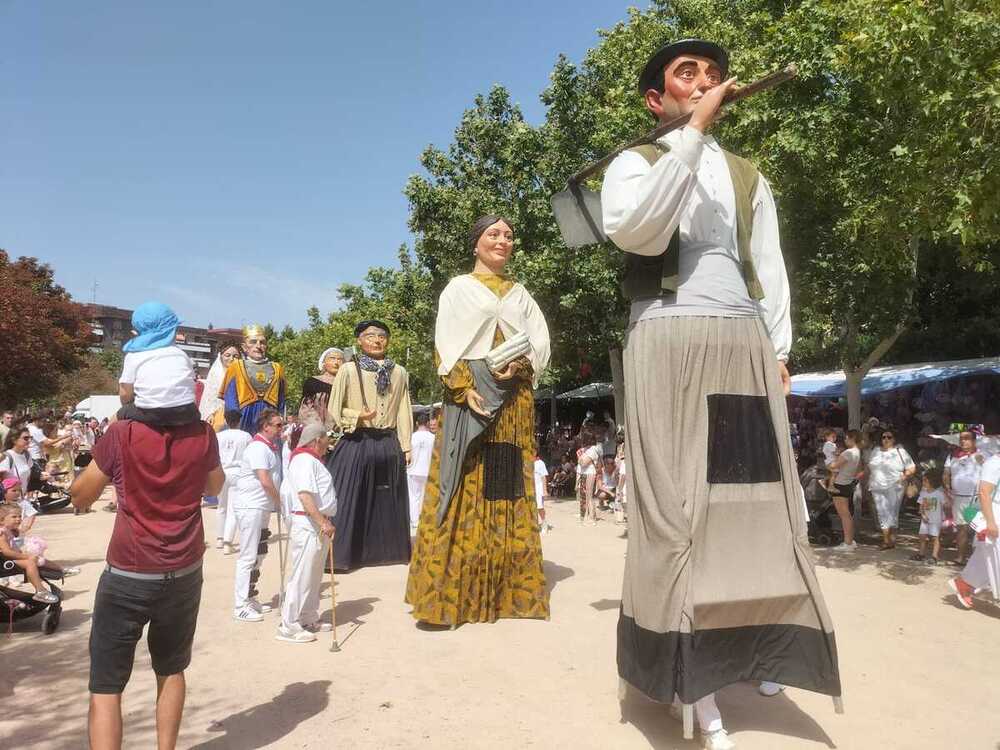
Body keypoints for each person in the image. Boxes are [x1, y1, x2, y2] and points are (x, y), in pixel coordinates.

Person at [601, 39, 841, 747]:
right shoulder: (633, 163)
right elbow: (637, 234)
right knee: (677, 510)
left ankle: (758, 643)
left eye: (711, 72)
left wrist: (780, 350)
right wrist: (693, 132)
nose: (706, 81)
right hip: (669, 337)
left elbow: (768, 266)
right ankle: (691, 677)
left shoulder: (747, 175)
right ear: (658, 99)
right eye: (687, 75)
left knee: (756, 498)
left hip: (741, 339)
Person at [406, 214, 551, 626]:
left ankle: (508, 593)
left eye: (508, 235)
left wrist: (521, 364)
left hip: (515, 396)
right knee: (464, 480)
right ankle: (447, 600)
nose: (503, 240)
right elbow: (446, 342)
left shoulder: (521, 294)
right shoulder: (459, 289)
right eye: (494, 234)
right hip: (471, 391)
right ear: (476, 243)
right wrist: (460, 385)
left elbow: (539, 343)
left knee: (504, 485)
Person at [70, 404, 223, 750]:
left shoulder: (121, 433)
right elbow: (215, 484)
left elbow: (81, 496)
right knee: (171, 668)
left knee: (107, 684)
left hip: (129, 570)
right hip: (183, 569)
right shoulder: (203, 433)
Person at [326, 320, 413, 570]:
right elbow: (334, 409)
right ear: (359, 340)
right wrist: (356, 416)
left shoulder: (400, 372)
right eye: (370, 335)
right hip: (357, 439)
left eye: (382, 336)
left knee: (388, 497)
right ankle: (345, 556)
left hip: (387, 440)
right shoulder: (348, 370)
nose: (376, 340)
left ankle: (387, 552)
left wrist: (406, 445)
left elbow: (405, 410)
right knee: (349, 496)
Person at [277, 421, 337, 643]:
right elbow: (305, 496)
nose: (328, 443)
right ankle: (289, 624)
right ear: (317, 440)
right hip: (309, 523)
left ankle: (307, 616)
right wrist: (322, 522)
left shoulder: (311, 460)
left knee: (313, 573)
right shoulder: (303, 460)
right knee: (302, 573)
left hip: (316, 523)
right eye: (326, 439)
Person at [231, 408, 283, 622]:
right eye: (278, 425)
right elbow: (264, 480)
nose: (281, 429)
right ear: (266, 426)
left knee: (259, 552)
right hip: (251, 506)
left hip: (261, 507)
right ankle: (240, 604)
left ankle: (251, 596)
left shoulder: (270, 448)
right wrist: (280, 501)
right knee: (248, 555)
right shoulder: (258, 448)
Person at [117, 302, 202, 427]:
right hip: (187, 413)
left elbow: (125, 393)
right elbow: (190, 386)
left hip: (150, 413)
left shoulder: (134, 355)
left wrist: (128, 405)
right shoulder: (182, 355)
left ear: (136, 332)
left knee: (118, 417)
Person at [949, 453, 1000, 609]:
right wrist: (991, 522)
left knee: (987, 555)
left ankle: (964, 583)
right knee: (995, 556)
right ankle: (964, 583)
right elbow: (984, 492)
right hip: (995, 513)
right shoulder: (994, 463)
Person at [221, 325, 287, 434]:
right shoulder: (236, 366)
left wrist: (280, 418)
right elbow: (231, 395)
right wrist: (233, 421)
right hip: (244, 417)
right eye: (253, 342)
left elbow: (281, 398)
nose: (258, 346)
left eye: (262, 342)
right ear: (244, 346)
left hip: (269, 418)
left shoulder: (277, 368)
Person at [867, 428, 916, 550]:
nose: (886, 439)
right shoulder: (876, 451)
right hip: (876, 485)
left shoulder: (900, 451)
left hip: (895, 486)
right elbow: (869, 466)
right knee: (881, 512)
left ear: (894, 439)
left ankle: (892, 538)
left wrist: (904, 476)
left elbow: (912, 467)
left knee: (893, 512)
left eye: (889, 437)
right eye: (884, 437)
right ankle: (886, 540)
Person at [0, 504, 60, 603]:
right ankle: (40, 591)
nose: (18, 519)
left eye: (20, 516)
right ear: (2, 520)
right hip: (3, 561)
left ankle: (60, 569)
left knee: (36, 557)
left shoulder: (9, 530)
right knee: (30, 563)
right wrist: (27, 556)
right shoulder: (2, 533)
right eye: (14, 517)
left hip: (8, 558)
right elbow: (7, 552)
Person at [944, 430, 984, 566]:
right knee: (961, 528)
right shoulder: (952, 455)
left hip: (977, 498)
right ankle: (960, 557)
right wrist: (947, 487)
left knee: (978, 528)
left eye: (967, 438)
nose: (963, 441)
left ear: (974, 441)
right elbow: (946, 473)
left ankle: (977, 560)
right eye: (961, 438)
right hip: (958, 498)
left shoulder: (981, 455)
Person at [215, 409, 252, 554]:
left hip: (222, 470)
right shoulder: (246, 436)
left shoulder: (219, 436)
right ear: (239, 421)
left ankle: (220, 537)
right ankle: (227, 541)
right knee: (233, 508)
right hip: (238, 472)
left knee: (221, 506)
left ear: (225, 420)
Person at [829, 430, 862, 550]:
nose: (845, 440)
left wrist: (831, 461)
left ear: (852, 438)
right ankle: (850, 540)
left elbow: (833, 466)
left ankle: (847, 542)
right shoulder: (857, 452)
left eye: (847, 438)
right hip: (848, 483)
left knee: (844, 514)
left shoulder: (848, 452)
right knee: (847, 514)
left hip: (840, 483)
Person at [199, 340, 242, 429]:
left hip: (239, 417)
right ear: (221, 357)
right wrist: (209, 414)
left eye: (235, 356)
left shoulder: (243, 375)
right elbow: (209, 397)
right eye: (227, 355)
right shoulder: (215, 375)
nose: (231, 359)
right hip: (217, 417)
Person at [406, 412, 436, 532]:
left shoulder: (411, 437)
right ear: (428, 423)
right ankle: (425, 519)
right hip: (428, 470)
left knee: (413, 496)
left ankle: (415, 521)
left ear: (417, 423)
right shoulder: (433, 438)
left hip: (413, 470)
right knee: (425, 496)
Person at [912, 470, 945, 564]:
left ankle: (934, 556)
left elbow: (944, 505)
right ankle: (921, 554)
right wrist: (922, 515)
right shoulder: (923, 493)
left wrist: (943, 517)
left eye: (925, 480)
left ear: (932, 481)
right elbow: (921, 506)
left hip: (936, 519)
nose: (923, 483)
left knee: (935, 537)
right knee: (922, 536)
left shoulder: (939, 494)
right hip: (925, 518)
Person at [533, 453, 551, 534]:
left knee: (540, 507)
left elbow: (544, 477)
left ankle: (544, 523)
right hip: (531, 487)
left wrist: (545, 490)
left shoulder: (540, 463)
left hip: (538, 487)